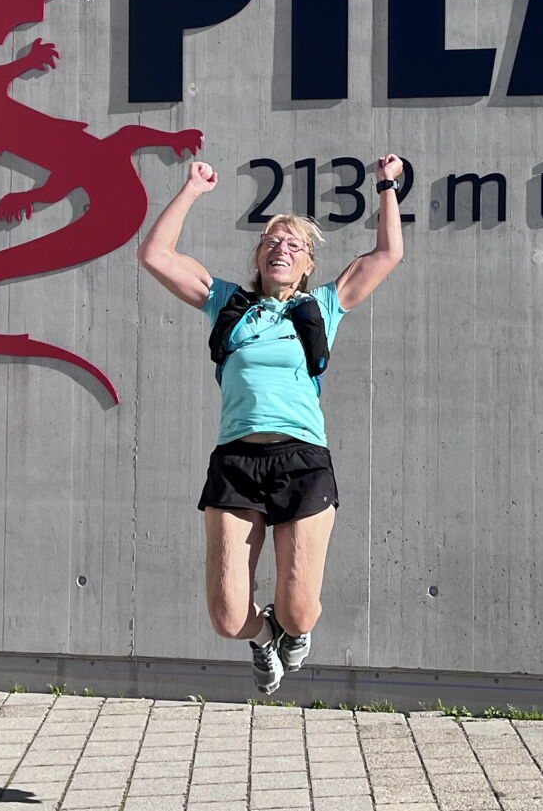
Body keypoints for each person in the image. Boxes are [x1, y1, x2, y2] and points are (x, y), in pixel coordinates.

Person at [139, 154, 405, 693]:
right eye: (271, 241)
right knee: (227, 616)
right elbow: (155, 255)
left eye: (294, 244)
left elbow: (387, 253)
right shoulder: (227, 303)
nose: (281, 247)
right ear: (258, 255)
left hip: (302, 461)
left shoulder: (323, 305)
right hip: (236, 461)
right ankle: (264, 638)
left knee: (299, 611)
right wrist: (192, 189)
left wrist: (386, 187)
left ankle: (292, 630)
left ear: (307, 264)